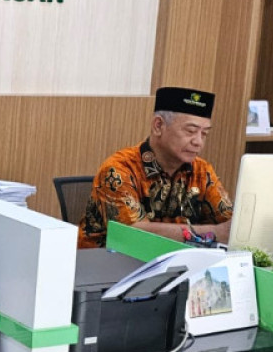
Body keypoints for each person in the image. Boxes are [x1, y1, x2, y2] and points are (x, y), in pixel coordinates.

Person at [78, 87, 232, 249]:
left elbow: (229, 223)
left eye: (204, 134)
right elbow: (132, 234)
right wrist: (213, 233)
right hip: (106, 263)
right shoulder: (119, 169)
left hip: (173, 262)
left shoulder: (202, 171)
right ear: (158, 126)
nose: (198, 142)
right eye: (190, 131)